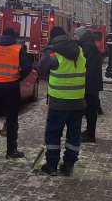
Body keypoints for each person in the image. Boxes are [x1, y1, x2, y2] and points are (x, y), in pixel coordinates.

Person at [36, 26, 87, 176]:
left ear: (52, 37)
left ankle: (51, 165)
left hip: (58, 101)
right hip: (78, 100)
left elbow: (41, 70)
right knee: (74, 134)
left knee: (53, 133)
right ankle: (69, 165)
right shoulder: (80, 51)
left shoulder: (52, 52)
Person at [0, 27, 32, 159]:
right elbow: (27, 67)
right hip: (11, 88)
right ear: (13, 37)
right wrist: (18, 77)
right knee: (12, 120)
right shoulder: (17, 49)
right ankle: (11, 151)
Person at [74, 26, 102, 143]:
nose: (74, 37)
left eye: (75, 35)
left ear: (80, 35)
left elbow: (82, 59)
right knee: (89, 108)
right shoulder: (88, 44)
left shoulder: (88, 46)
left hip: (90, 81)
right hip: (91, 80)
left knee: (90, 108)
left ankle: (90, 134)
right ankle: (89, 131)